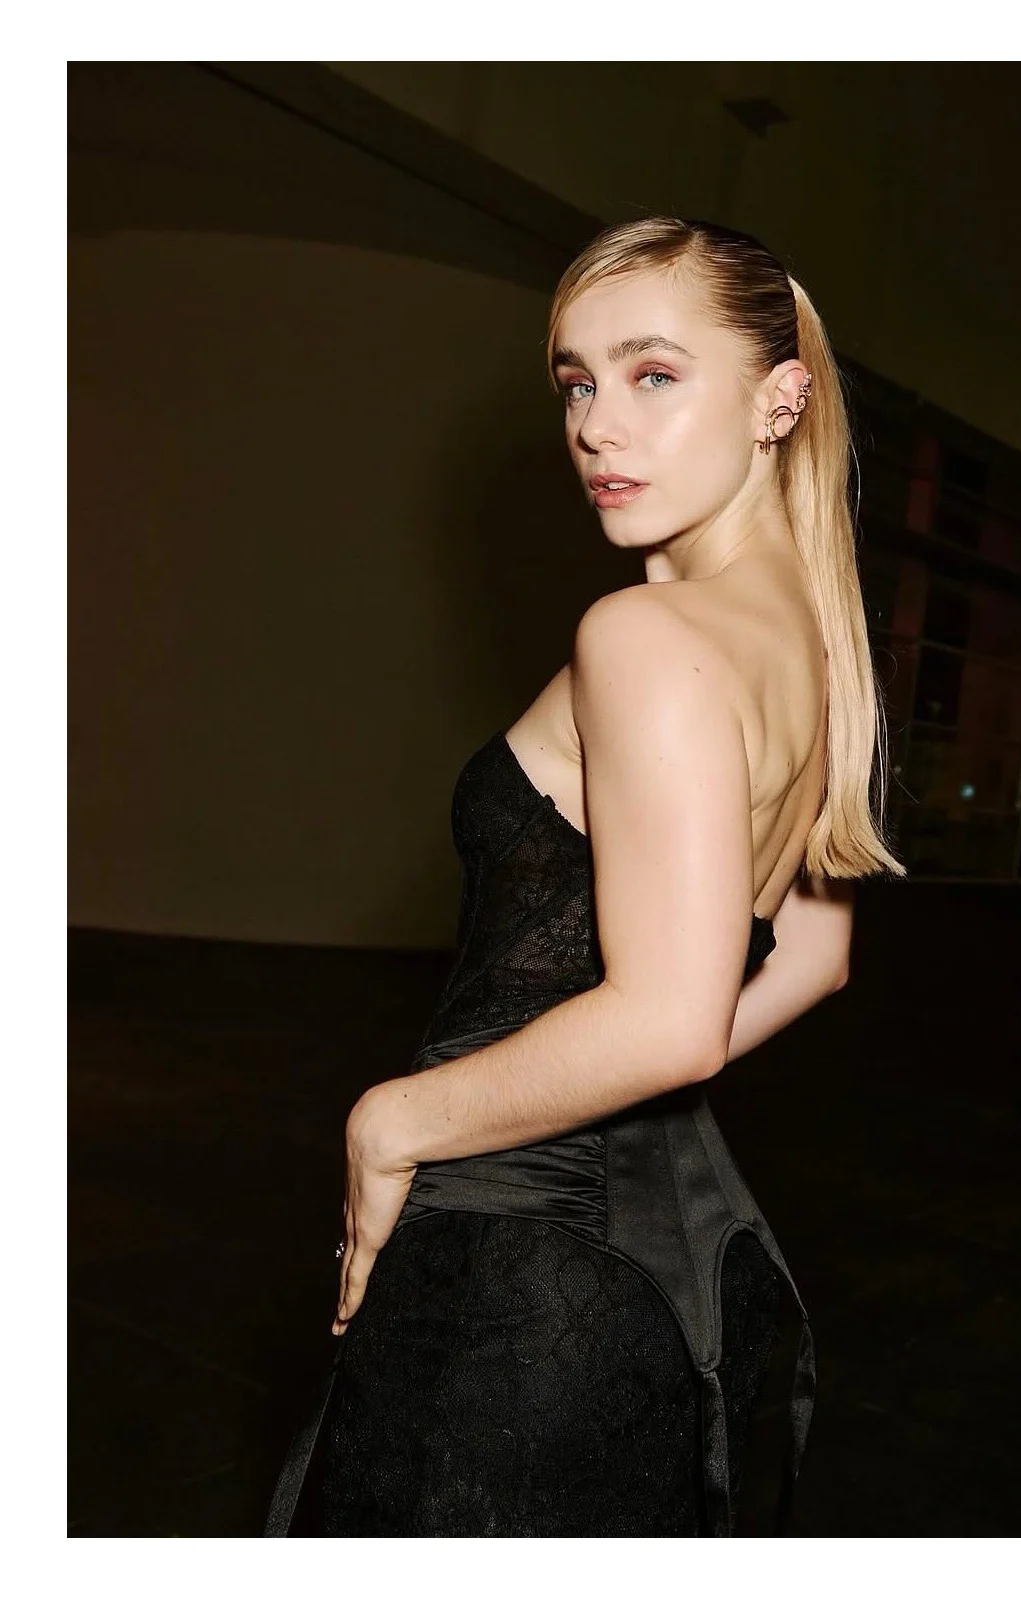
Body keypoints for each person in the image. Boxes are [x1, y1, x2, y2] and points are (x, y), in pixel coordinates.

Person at [265, 215, 904, 1538]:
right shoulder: (823, 652)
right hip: (663, 1269)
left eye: (654, 374)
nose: (599, 426)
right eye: (576, 383)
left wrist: (393, 1122)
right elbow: (815, 958)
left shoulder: (645, 634)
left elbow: (671, 1022)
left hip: (512, 1271)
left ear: (781, 398)